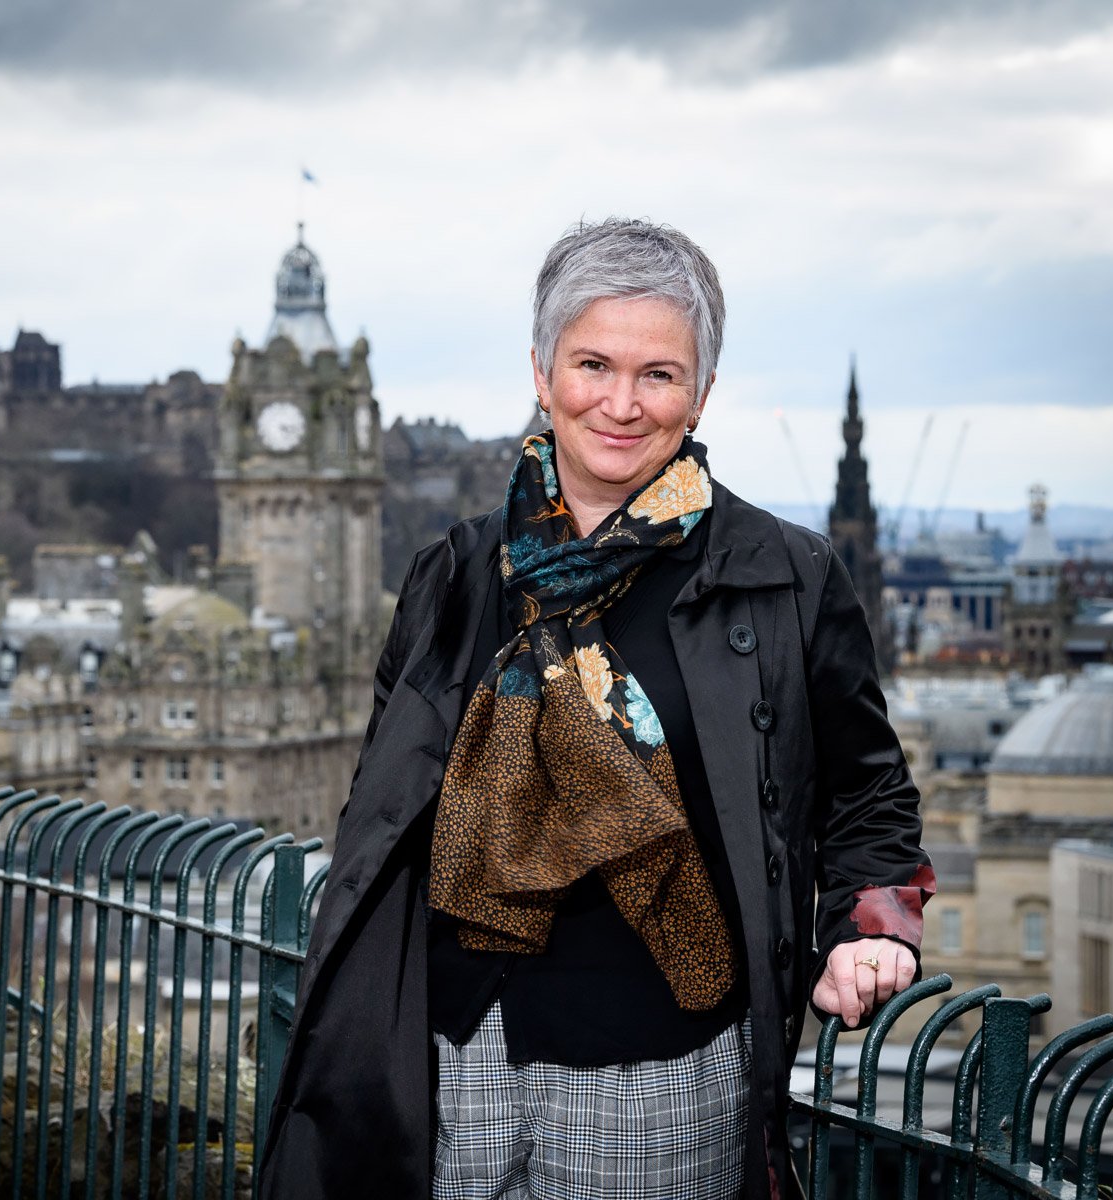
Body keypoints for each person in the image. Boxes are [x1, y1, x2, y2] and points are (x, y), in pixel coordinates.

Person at [257, 217, 935, 1200]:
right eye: (592, 364)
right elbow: (385, 806)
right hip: (442, 1059)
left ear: (700, 391)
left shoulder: (785, 578)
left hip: (659, 1071)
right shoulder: (454, 573)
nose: (621, 403)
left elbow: (869, 799)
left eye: (659, 373)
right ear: (543, 373)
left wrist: (872, 928)